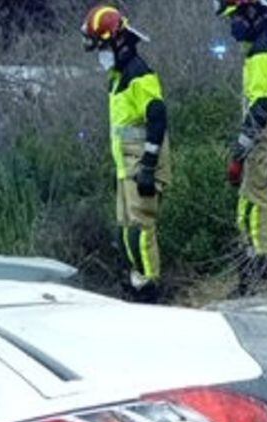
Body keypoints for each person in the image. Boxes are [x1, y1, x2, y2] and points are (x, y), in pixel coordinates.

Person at [81, 4, 171, 303]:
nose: (101, 54)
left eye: (102, 46)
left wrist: (149, 165)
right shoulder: (118, 77)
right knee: (124, 234)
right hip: (127, 166)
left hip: (142, 165)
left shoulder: (138, 74)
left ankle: (149, 290)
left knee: (140, 231)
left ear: (117, 41)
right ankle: (135, 285)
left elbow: (157, 117)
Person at [214, 0, 267, 297]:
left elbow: (261, 105)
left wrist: (239, 152)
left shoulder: (262, 52)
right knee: (247, 211)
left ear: (252, 14)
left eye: (235, 17)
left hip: (266, 145)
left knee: (257, 216)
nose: (233, 25)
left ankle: (258, 288)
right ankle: (249, 282)